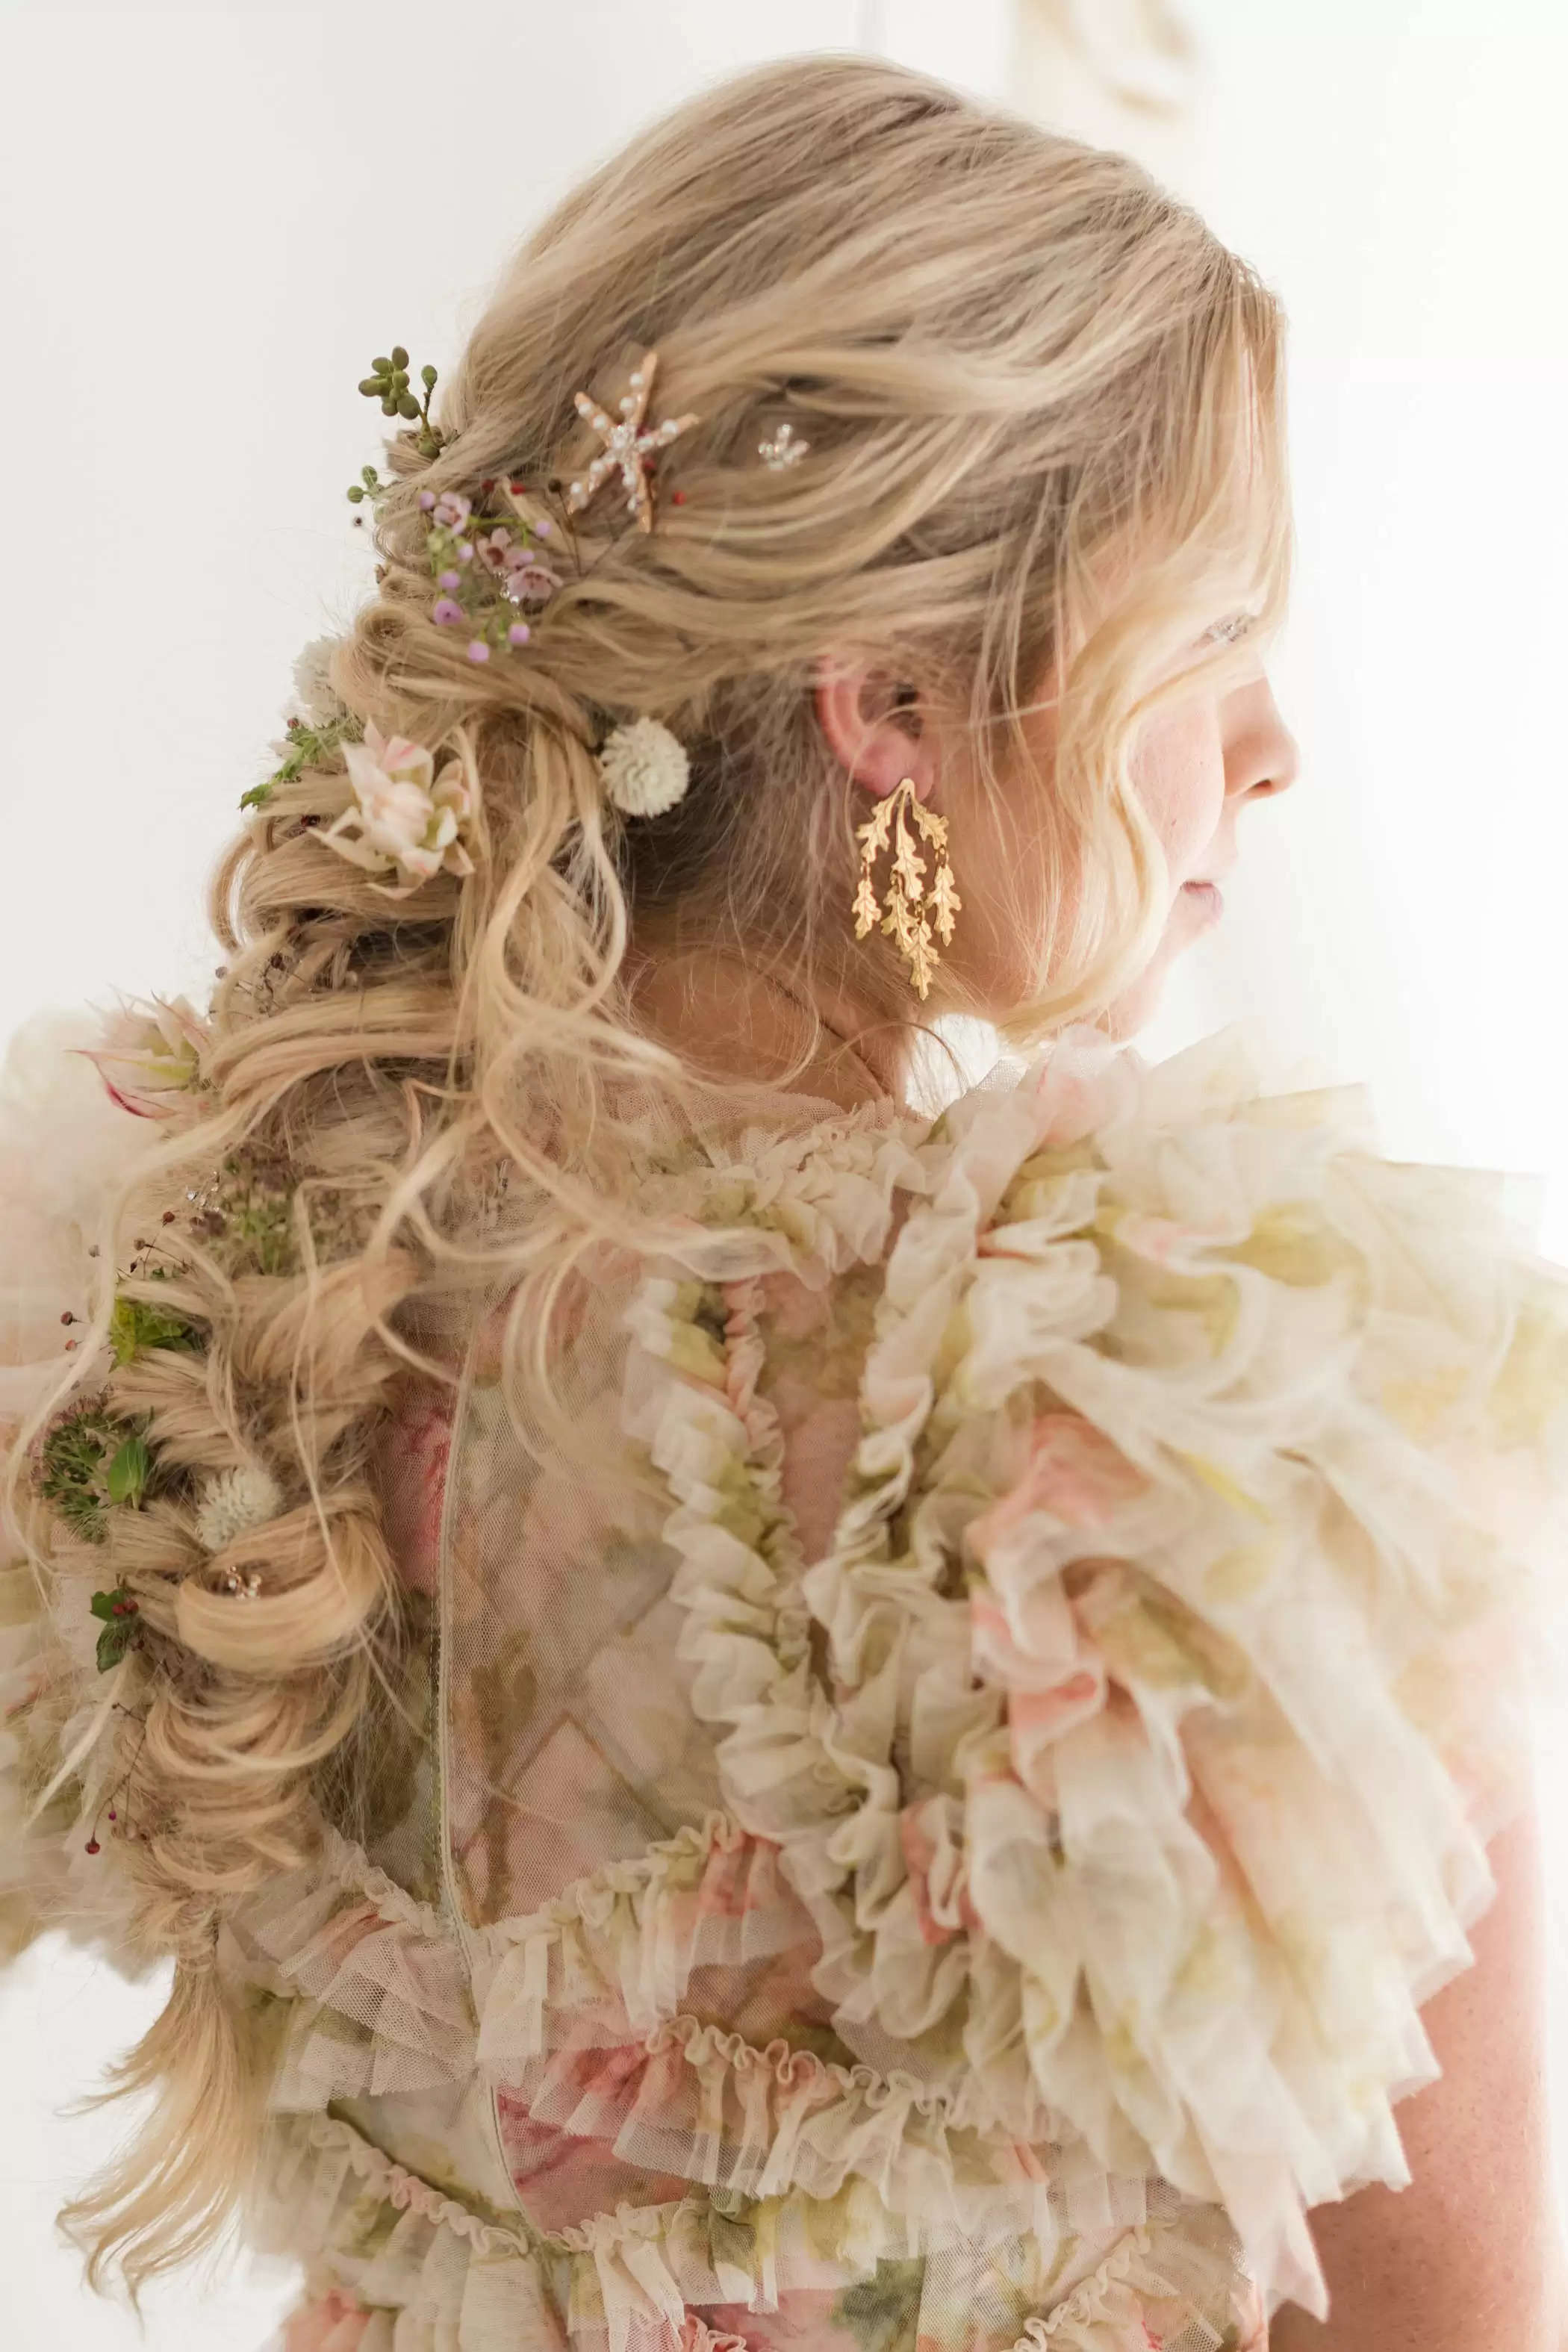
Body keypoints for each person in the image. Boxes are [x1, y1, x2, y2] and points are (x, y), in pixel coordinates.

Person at [2, 51, 1566, 2352]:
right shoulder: (1176, 1390)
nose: (1271, 740)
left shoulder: (212, 1287)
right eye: (1214, 625)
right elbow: (1439, 2316)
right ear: (896, 710)